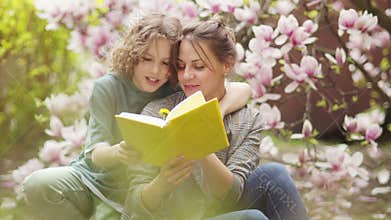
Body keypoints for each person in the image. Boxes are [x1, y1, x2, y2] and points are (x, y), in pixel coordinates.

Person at [22, 13, 252, 220]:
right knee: (38, 184)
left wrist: (218, 112)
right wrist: (118, 153)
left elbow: (243, 90)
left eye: (165, 63)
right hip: (93, 180)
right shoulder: (108, 87)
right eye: (147, 59)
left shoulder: (173, 87)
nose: (155, 71)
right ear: (133, 54)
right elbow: (94, 153)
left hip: (136, 192)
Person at [121, 19, 309, 220]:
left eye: (199, 66)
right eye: (181, 66)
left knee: (275, 174)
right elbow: (133, 205)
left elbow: (230, 195)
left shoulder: (248, 120)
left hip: (219, 210)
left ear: (226, 65)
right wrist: (162, 184)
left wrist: (200, 143)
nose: (186, 76)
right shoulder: (157, 111)